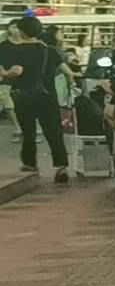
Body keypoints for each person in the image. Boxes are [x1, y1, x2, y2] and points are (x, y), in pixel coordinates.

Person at [1, 16, 66, 182]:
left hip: (25, 96)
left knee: (28, 132)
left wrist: (4, 73)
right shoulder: (49, 50)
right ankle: (61, 167)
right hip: (48, 95)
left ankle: (30, 163)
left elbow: (16, 71)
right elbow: (64, 70)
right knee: (54, 132)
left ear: (22, 31)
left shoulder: (18, 51)